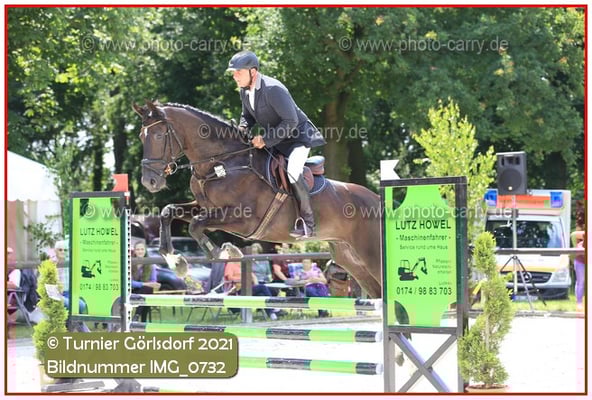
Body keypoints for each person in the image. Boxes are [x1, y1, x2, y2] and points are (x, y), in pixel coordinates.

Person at [227, 50, 326, 238]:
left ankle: (308, 223)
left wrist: (265, 140)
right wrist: (242, 128)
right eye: (234, 72)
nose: (235, 76)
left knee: (293, 172)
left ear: (253, 72)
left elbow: (291, 121)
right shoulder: (245, 91)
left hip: (297, 139)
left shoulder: (273, 89)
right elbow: (247, 116)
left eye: (238, 72)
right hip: (277, 141)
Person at [221, 242, 278, 320]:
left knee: (261, 294)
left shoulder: (241, 263)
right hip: (238, 289)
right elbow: (230, 278)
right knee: (262, 287)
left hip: (248, 287)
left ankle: (271, 314)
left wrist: (255, 281)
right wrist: (243, 280)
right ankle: (273, 308)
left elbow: (252, 274)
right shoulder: (230, 264)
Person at [131, 241, 161, 322]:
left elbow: (153, 282)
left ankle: (137, 316)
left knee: (147, 290)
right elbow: (129, 283)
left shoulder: (151, 265)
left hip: (144, 291)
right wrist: (144, 284)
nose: (140, 251)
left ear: (145, 251)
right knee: (147, 291)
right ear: (134, 251)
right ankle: (142, 320)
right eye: (138, 249)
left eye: (142, 249)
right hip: (132, 291)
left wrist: (149, 284)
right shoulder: (130, 263)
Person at [571, 200, 586, 312]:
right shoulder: (580, 231)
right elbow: (574, 235)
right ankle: (579, 303)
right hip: (581, 259)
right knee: (580, 281)